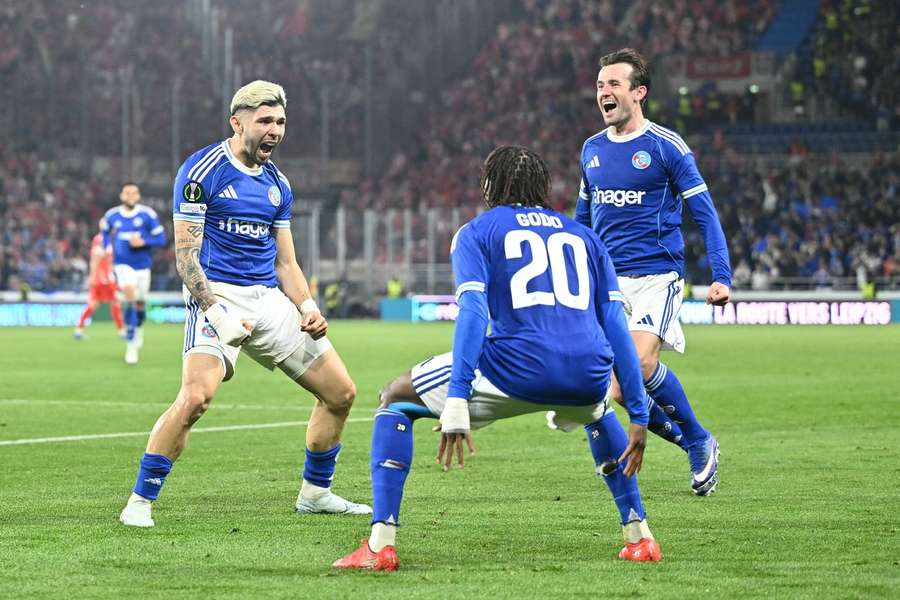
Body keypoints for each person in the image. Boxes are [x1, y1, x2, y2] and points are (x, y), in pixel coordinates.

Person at [334, 145, 661, 571]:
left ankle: (380, 545)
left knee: (394, 398)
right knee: (599, 415)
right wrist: (638, 411)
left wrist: (456, 399)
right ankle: (640, 537)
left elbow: (473, 312)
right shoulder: (586, 237)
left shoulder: (477, 232)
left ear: (490, 186)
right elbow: (616, 324)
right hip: (587, 374)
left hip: (515, 369)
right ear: (544, 188)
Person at [118, 80, 370, 528]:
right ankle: (140, 501)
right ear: (238, 122)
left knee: (341, 394)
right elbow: (185, 257)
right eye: (265, 121)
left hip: (268, 300)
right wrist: (216, 311)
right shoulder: (202, 171)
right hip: (216, 294)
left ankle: (315, 494)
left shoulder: (278, 185)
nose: (275, 130)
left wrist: (308, 306)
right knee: (197, 397)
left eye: (281, 122)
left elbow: (287, 263)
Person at [576, 48, 732, 496]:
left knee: (641, 364)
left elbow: (705, 214)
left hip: (656, 275)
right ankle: (697, 440)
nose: (604, 92)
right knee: (620, 392)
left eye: (614, 84)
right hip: (609, 282)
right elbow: (583, 221)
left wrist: (721, 275)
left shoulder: (667, 147)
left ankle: (697, 441)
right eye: (600, 85)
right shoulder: (591, 151)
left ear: (638, 92)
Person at [100, 183, 167, 363]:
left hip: (143, 266)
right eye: (127, 192)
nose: (130, 195)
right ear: (122, 195)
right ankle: (131, 343)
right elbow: (104, 232)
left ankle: (138, 327)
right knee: (128, 291)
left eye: (134, 192)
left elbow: (161, 239)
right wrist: (106, 247)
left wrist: (143, 241)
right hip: (122, 264)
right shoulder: (112, 215)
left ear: (138, 196)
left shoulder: (147, 214)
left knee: (140, 303)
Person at [74, 227, 125, 339]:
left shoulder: (108, 240)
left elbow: (107, 261)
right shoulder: (101, 239)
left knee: (94, 304)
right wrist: (92, 276)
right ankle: (122, 331)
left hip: (103, 278)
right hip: (103, 279)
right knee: (115, 303)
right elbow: (96, 258)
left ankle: (79, 329)